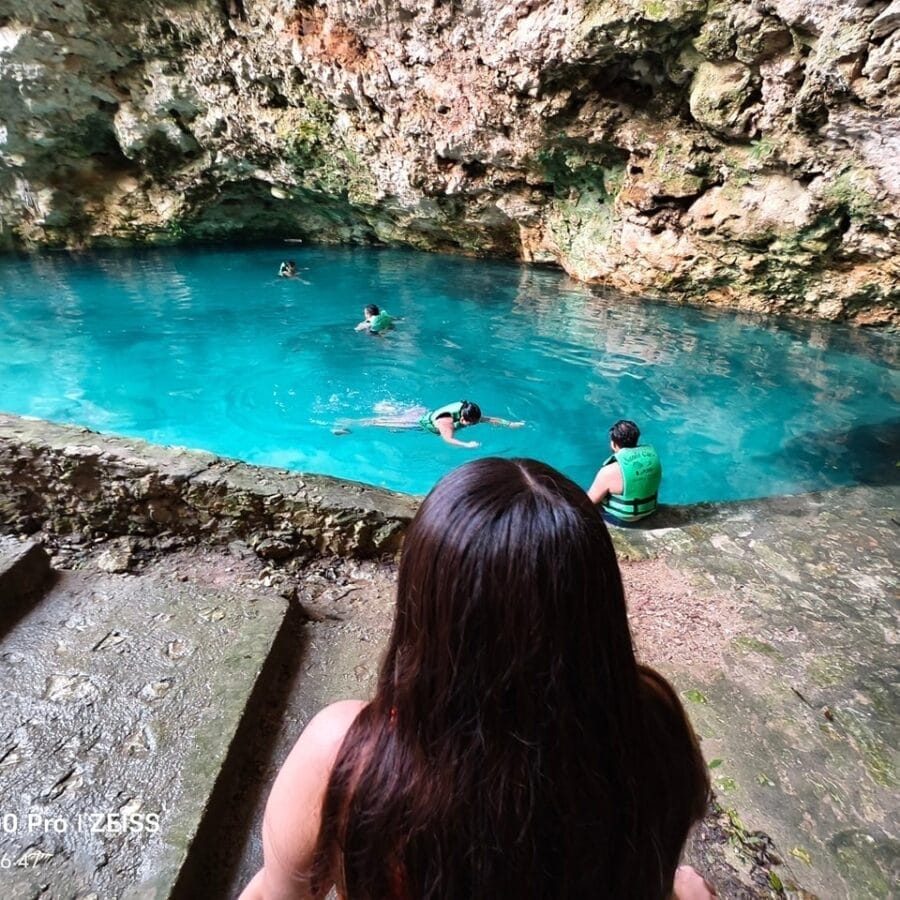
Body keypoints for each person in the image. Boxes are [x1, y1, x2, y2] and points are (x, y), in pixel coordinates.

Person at [239, 458, 715, 900]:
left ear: (425, 601)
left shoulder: (345, 753)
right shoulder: (652, 719)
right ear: (597, 602)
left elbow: (275, 894)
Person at [334, 400, 524, 448]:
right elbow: (448, 439)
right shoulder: (446, 422)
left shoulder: (468, 414)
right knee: (375, 423)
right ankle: (345, 424)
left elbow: (490, 419)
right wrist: (467, 444)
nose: (470, 425)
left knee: (393, 426)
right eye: (468, 422)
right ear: (463, 417)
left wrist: (511, 424)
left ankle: (387, 409)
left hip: (423, 414)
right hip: (416, 423)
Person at [587, 419, 662, 525]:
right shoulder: (652, 458)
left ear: (613, 444)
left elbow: (590, 501)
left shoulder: (608, 471)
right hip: (648, 510)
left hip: (621, 517)